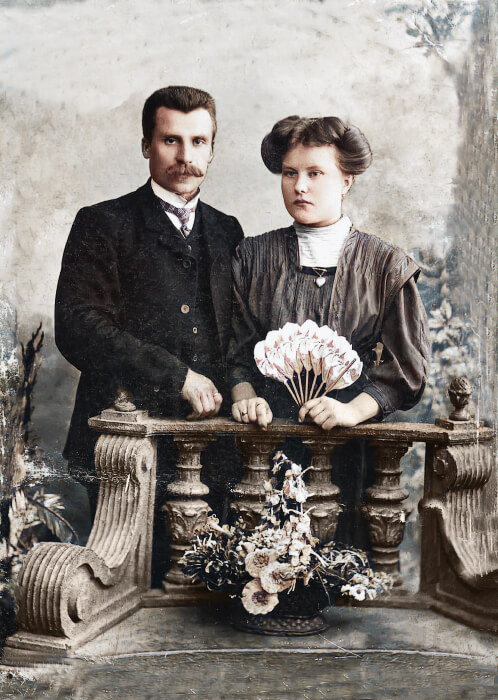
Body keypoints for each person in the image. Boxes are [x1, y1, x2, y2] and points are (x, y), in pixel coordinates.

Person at [55, 86, 243, 581]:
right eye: (170, 140)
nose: (185, 156)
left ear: (212, 149)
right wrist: (177, 376)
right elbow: (77, 327)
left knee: (206, 592)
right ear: (146, 145)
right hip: (123, 446)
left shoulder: (228, 230)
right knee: (131, 589)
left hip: (212, 446)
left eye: (198, 142)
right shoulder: (102, 222)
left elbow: (238, 334)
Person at [229, 115, 429, 544]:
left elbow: (407, 371)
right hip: (264, 446)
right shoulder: (252, 258)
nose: (299, 186)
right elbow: (237, 350)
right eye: (290, 173)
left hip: (350, 452)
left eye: (315, 173)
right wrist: (244, 396)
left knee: (342, 560)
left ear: (346, 181)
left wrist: (350, 411)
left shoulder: (386, 266)